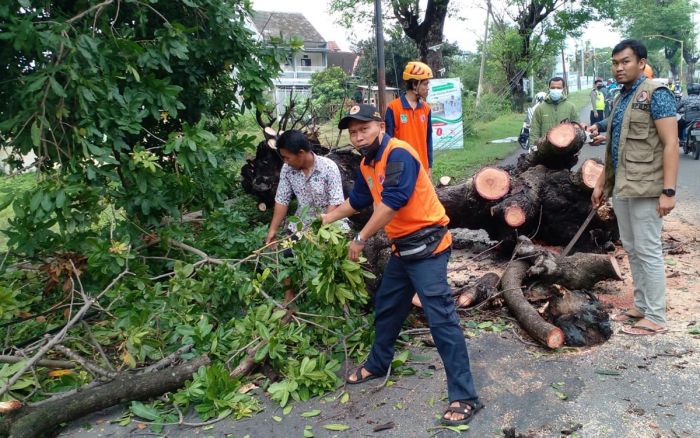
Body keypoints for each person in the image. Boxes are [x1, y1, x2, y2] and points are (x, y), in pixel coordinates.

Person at [322, 104, 483, 426]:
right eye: (352, 132)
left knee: (441, 318)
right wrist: (327, 217)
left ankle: (465, 396)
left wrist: (361, 238)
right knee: (388, 305)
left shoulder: (398, 154)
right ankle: (379, 363)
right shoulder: (368, 163)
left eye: (363, 129)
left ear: (380, 126)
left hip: (428, 246)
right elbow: (359, 201)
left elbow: (393, 202)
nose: (357, 136)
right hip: (403, 249)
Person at [588, 39, 679, 336]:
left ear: (641, 63)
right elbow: (615, 145)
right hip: (624, 186)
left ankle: (656, 317)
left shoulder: (656, 94)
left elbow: (671, 143)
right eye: (615, 63)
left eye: (625, 61)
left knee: (649, 250)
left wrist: (668, 191)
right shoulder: (621, 97)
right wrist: (601, 183)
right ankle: (641, 305)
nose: (618, 68)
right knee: (633, 248)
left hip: (648, 188)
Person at [265, 130, 347, 303]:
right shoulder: (288, 170)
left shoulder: (328, 167)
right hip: (301, 223)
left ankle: (331, 295)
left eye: (287, 157)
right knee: (286, 251)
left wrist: (322, 230)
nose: (285, 161)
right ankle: (289, 294)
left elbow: (335, 202)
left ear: (301, 153)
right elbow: (282, 200)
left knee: (333, 259)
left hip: (331, 222)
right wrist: (273, 229)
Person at [385, 61, 434, 177]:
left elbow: (429, 140)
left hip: (422, 167)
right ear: (414, 85)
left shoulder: (426, 109)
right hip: (400, 169)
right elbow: (388, 142)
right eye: (425, 84)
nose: (428, 88)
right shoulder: (393, 108)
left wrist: (430, 166)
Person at [530, 77, 580, 141]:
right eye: (553, 88)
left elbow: (577, 129)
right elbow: (534, 131)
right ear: (549, 88)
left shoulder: (571, 107)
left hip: (566, 147)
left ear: (563, 89)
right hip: (545, 148)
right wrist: (533, 147)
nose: (555, 90)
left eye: (559, 88)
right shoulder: (540, 108)